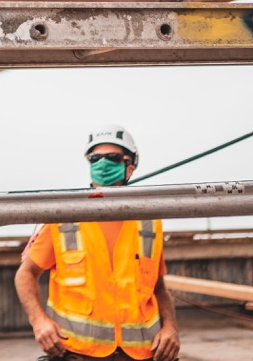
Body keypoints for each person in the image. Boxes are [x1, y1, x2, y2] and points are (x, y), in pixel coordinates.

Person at [14, 125, 180, 361]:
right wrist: (39, 322)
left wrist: (170, 328)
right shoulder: (64, 218)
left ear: (130, 166)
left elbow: (158, 287)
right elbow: (25, 274)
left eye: (111, 157)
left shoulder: (149, 222)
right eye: (95, 158)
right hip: (76, 352)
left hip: (142, 353)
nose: (102, 163)